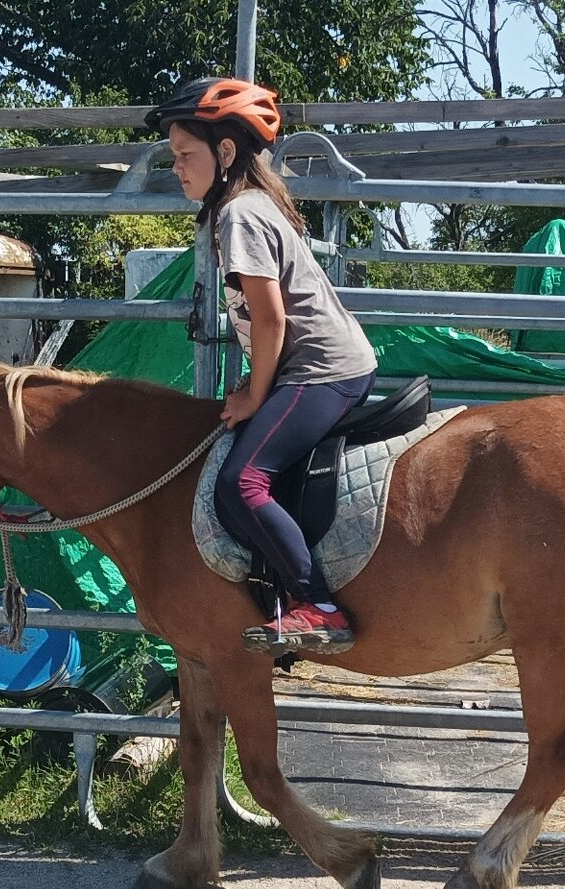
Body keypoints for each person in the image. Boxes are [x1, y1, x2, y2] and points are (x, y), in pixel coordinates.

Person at [145, 77, 378, 654]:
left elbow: (270, 320)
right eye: (174, 157)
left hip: (323, 370)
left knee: (241, 481)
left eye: (184, 155)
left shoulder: (239, 216)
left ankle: (318, 606)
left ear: (226, 153)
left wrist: (254, 396)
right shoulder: (249, 206)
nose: (176, 168)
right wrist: (256, 381)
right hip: (315, 364)